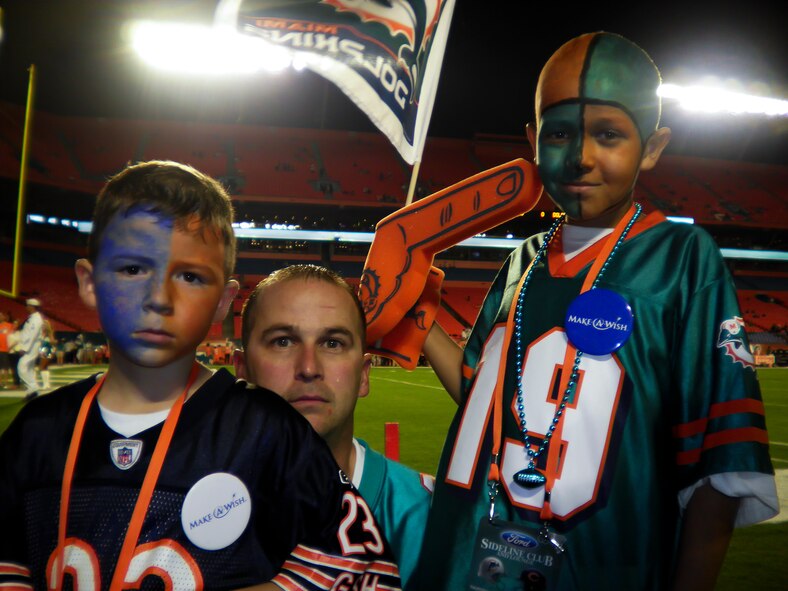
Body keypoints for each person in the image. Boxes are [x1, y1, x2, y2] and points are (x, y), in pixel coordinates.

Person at [380, 32, 778, 591]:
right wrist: (421, 319)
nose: (582, 155)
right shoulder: (523, 259)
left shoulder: (681, 261)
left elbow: (721, 462)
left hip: (602, 565)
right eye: (560, 133)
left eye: (609, 134)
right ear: (533, 141)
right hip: (473, 560)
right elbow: (484, 401)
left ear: (654, 146)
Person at [0, 161, 401, 591]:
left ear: (223, 301)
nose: (159, 298)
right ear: (89, 281)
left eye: (190, 276)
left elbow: (362, 571)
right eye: (133, 269)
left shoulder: (270, 431)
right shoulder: (36, 432)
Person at [236, 264, 433, 590]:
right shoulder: (184, 500)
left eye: (333, 343)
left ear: (365, 374)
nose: (309, 368)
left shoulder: (429, 519)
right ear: (241, 372)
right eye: (283, 341)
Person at [17, 298, 44, 400]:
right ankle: (31, 392)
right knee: (29, 369)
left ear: (32, 307)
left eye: (28, 305)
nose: (26, 307)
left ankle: (33, 388)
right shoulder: (33, 318)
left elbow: (32, 335)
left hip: (31, 347)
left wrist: (24, 348)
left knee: (21, 367)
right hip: (31, 346)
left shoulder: (36, 319)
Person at [0, 311, 14, 388]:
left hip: (6, 349)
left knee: (5, 367)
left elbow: (13, 337)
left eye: (1, 315)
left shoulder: (9, 326)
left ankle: (5, 382)